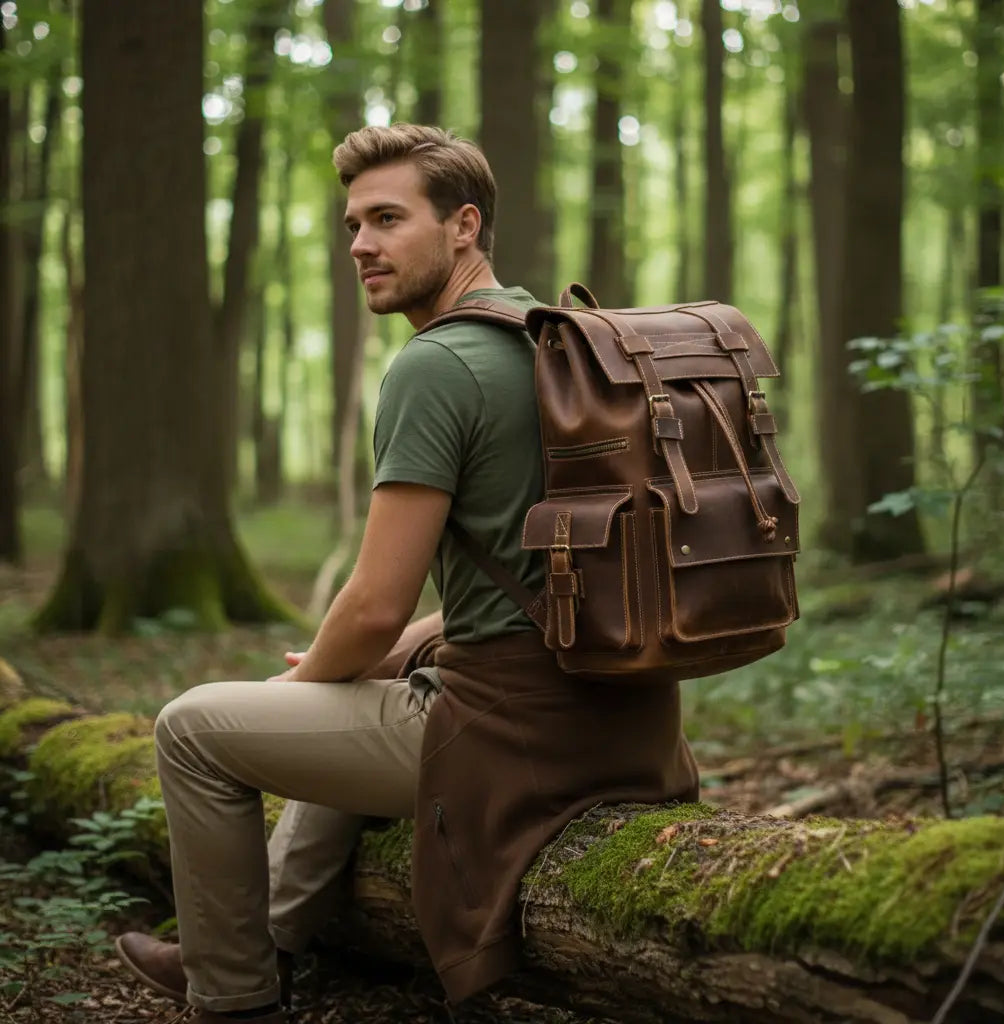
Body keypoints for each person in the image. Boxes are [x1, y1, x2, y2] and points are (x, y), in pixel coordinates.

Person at [115, 124, 700, 1023]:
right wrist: (379, 657)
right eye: (353, 224)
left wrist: (314, 676)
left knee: (189, 727)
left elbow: (377, 604)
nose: (361, 245)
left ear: (464, 225)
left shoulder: (432, 367)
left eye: (387, 219)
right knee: (387, 664)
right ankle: (271, 928)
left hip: (510, 745)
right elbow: (528, 573)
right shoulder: (557, 341)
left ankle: (230, 996)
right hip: (629, 717)